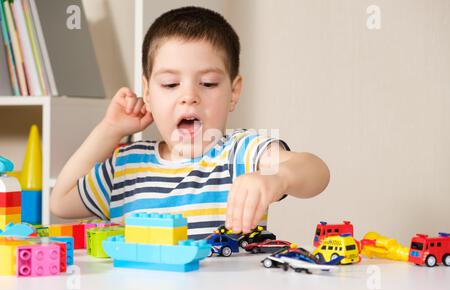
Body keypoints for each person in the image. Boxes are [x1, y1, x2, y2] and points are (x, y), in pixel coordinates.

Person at [50, 6, 330, 240]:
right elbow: (60, 201)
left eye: (208, 83)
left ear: (233, 92)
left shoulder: (240, 152)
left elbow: (317, 172)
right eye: (170, 84)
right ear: (147, 92)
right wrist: (109, 130)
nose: (189, 96)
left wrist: (277, 177)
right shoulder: (127, 165)